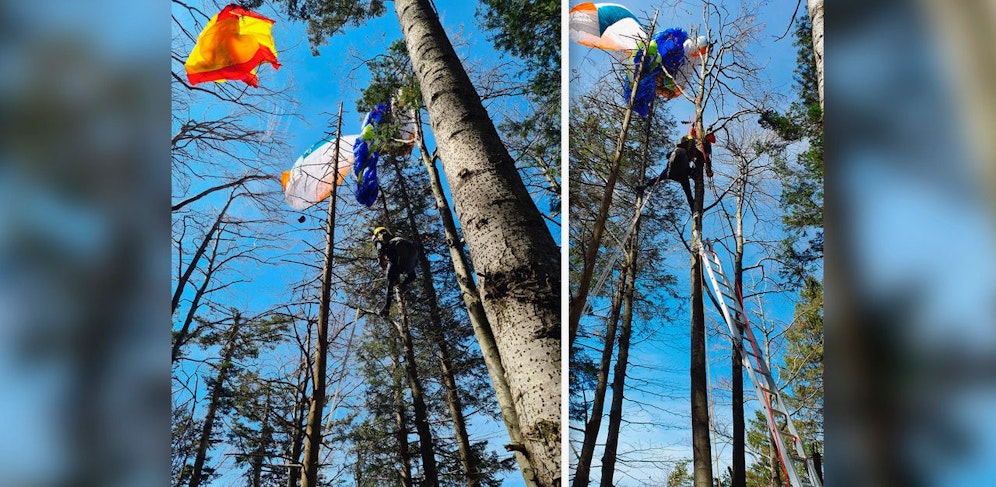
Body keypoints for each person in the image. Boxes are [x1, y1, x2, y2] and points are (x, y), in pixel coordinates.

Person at [644, 133, 714, 210]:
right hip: (682, 173)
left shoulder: (677, 149)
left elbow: (667, 155)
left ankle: (645, 185)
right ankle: (693, 208)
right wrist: (709, 171)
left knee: (659, 178)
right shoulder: (692, 150)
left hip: (671, 172)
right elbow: (706, 159)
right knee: (688, 192)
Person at [372, 227, 418, 317]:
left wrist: (381, 262)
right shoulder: (391, 236)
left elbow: (380, 249)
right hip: (411, 252)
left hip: (396, 250)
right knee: (411, 275)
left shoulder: (377, 238)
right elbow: (412, 276)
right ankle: (402, 285)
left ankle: (386, 308)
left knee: (389, 282)